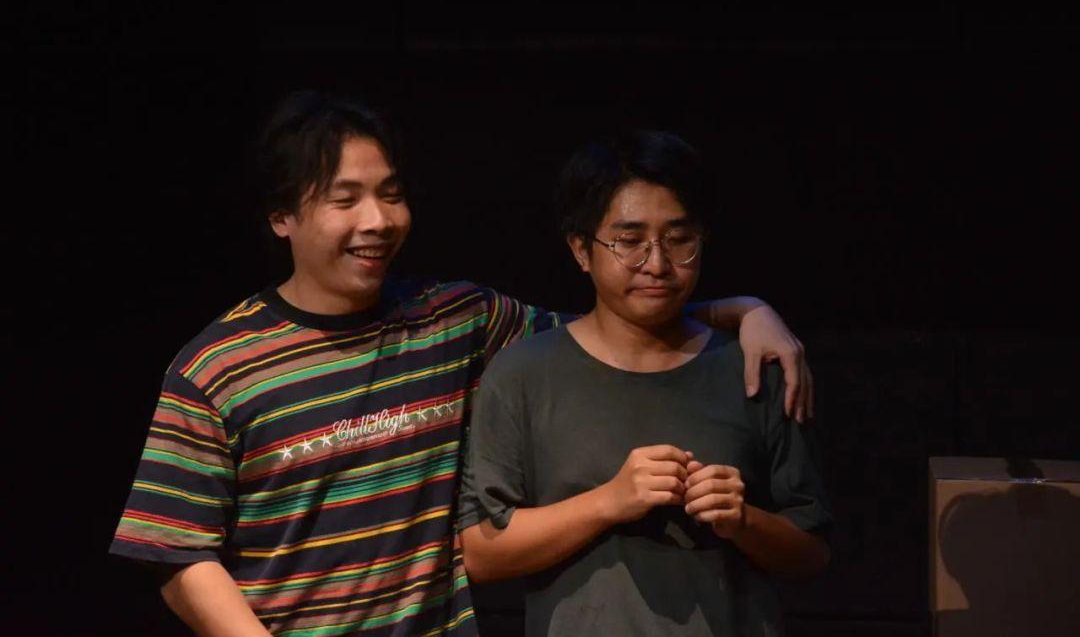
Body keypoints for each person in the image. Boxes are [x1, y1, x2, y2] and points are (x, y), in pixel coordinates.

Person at [110, 93, 813, 636]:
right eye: (344, 199)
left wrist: (744, 310)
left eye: (390, 194)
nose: (377, 220)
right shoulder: (217, 367)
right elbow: (178, 553)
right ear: (281, 217)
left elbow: (618, 323)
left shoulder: (457, 319)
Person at [459, 131, 832, 635]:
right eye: (629, 242)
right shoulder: (523, 374)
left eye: (679, 239)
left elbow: (811, 554)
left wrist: (743, 520)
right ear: (581, 250)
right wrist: (609, 501)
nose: (657, 264)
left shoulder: (752, 365)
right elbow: (481, 554)